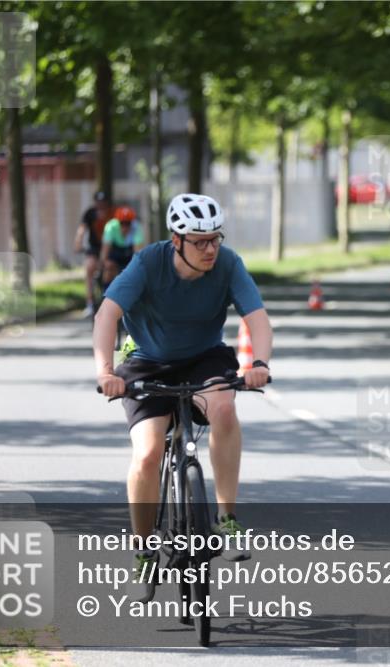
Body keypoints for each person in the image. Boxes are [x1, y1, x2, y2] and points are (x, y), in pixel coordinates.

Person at [95, 193, 272, 603]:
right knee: (147, 453)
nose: (210, 248)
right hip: (146, 360)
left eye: (215, 239)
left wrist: (259, 361)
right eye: (200, 241)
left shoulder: (227, 264)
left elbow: (257, 319)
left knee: (225, 407)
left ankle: (226, 519)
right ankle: (143, 551)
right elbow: (107, 315)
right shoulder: (147, 264)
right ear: (177, 240)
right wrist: (106, 372)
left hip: (203, 358)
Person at [73, 191, 113, 316]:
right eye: (98, 202)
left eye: (103, 203)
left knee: (110, 268)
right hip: (94, 248)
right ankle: (90, 303)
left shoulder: (112, 213)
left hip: (111, 247)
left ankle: (111, 298)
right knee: (89, 267)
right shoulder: (90, 213)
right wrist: (78, 242)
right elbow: (82, 229)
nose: (101, 205)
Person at [99, 205, 145, 289]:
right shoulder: (110, 227)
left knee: (136, 271)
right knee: (108, 268)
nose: (125, 227)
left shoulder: (137, 227)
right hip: (115, 254)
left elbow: (138, 252)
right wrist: (104, 263)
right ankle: (105, 294)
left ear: (132, 222)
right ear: (118, 222)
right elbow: (105, 250)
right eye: (122, 223)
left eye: (128, 223)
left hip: (129, 254)